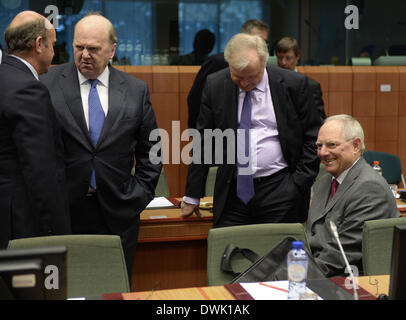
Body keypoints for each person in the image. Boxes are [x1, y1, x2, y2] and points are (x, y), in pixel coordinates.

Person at [40, 13, 162, 279]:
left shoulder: (135, 90)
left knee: (113, 288)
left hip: (119, 211)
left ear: (112, 50)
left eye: (93, 49)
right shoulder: (47, 84)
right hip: (63, 212)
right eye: (78, 47)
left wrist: (138, 195)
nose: (85, 55)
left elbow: (151, 150)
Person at [181, 33, 322, 227]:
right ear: (229, 64)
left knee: (276, 254)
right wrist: (192, 194)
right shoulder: (215, 85)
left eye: (252, 77)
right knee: (229, 251)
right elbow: (204, 140)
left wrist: (297, 184)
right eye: (238, 77)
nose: (245, 84)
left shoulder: (294, 85)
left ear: (264, 64)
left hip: (280, 188)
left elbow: (314, 137)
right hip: (233, 190)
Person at [0, 11, 71, 249]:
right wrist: (56, 232)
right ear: (39, 44)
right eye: (53, 44)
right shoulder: (28, 89)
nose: (55, 52)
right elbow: (40, 168)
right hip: (21, 222)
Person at [306, 114, 400, 277]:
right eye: (319, 145)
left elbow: (340, 256)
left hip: (351, 281)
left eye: (331, 145)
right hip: (317, 271)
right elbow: (312, 237)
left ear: (356, 146)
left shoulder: (369, 188)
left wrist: (291, 272)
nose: (322, 152)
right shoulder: (324, 182)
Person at [187, 19, 270, 129]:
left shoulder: (264, 65)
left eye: (264, 42)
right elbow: (196, 97)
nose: (261, 45)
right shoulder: (219, 62)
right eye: (257, 40)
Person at [275, 36, 326, 121]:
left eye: (288, 58)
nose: (283, 62)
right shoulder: (270, 83)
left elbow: (318, 118)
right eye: (280, 58)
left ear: (297, 57)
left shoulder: (310, 86)